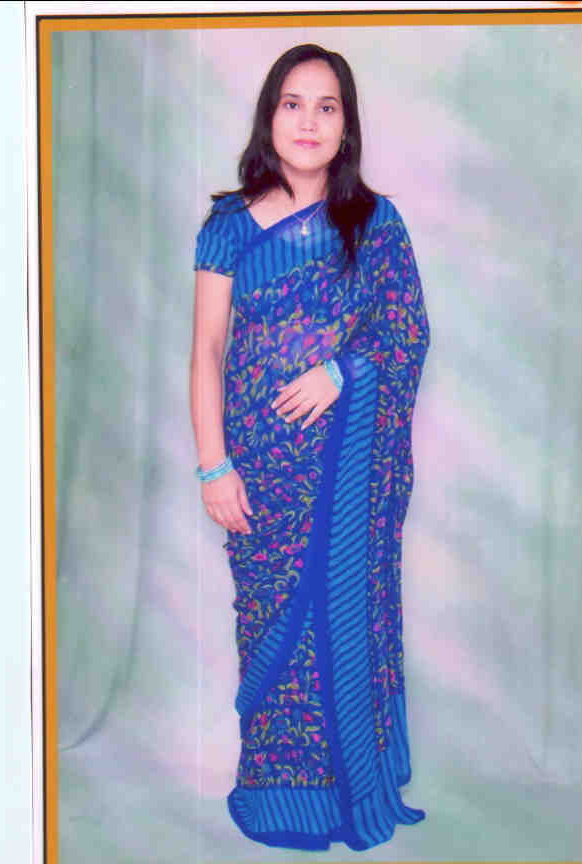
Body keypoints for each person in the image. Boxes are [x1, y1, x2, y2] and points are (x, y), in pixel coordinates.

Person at [188, 43, 430, 853]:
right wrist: (213, 465)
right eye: (293, 103)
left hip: (346, 480)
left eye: (327, 107)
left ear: (346, 125)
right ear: (270, 115)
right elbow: (206, 352)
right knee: (269, 635)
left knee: (342, 630)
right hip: (258, 479)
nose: (308, 121)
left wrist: (341, 371)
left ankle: (348, 787)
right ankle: (279, 796)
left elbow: (404, 333)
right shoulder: (228, 226)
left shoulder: (375, 224)